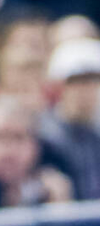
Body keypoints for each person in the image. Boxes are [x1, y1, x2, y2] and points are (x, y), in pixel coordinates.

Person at [42, 34, 100, 200]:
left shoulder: (96, 131)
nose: (84, 91)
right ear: (59, 86)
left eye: (92, 81)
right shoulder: (45, 134)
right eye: (75, 82)